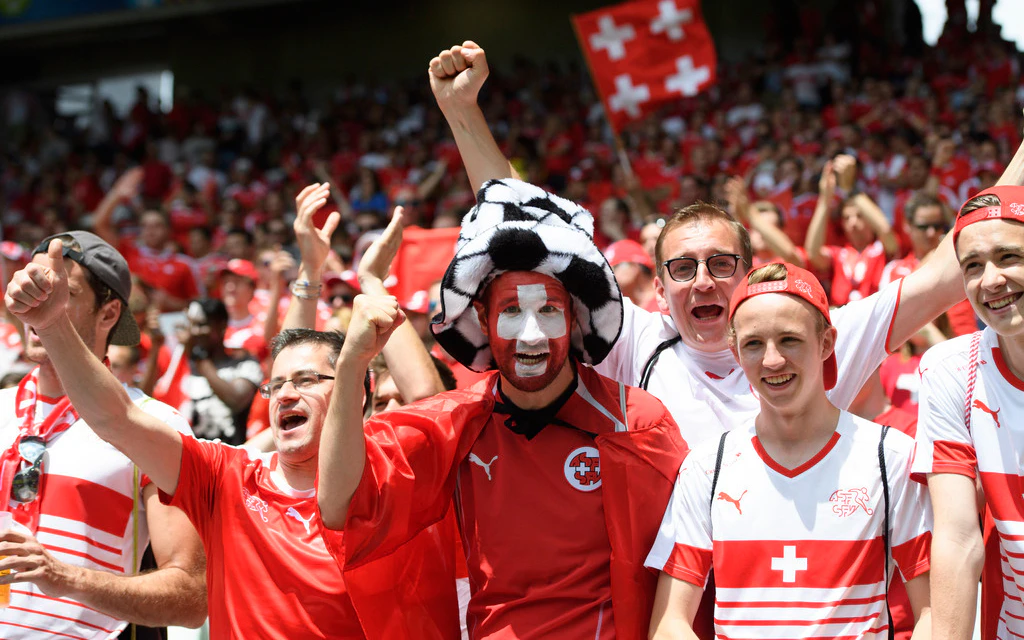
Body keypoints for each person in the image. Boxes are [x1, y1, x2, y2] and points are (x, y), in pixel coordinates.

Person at [427, 40, 983, 447]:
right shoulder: (632, 340)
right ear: (660, 282)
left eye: (721, 263)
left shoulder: (812, 341)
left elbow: (947, 270)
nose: (704, 281)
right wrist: (462, 111)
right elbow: (524, 231)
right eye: (683, 268)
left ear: (749, 271)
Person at [4, 239, 459, 638]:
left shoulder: (389, 473)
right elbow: (116, 419)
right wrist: (53, 322)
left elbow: (424, 396)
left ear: (358, 392)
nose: (286, 395)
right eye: (276, 384)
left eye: (306, 380)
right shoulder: (228, 478)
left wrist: (371, 286)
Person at [318, 178, 687, 639]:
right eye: (511, 311)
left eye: (549, 311)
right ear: (482, 321)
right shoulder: (457, 422)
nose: (530, 336)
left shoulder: (636, 422)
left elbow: (685, 567)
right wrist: (352, 368)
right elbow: (339, 507)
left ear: (574, 319)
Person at [646, 262, 932, 639]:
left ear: (827, 343)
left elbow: (935, 611)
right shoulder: (705, 467)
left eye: (789, 339)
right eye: (752, 344)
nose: (772, 360)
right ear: (734, 351)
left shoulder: (891, 456)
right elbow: (669, 623)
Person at [0, 231, 206, 639]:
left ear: (108, 314)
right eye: (33, 282)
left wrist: (67, 578)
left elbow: (191, 597)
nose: (35, 299)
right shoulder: (2, 407)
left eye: (61, 290)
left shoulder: (155, 425)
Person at [912, 185, 1024, 639]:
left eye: (1008, 257)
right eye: (973, 266)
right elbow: (958, 538)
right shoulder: (952, 368)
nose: (991, 280)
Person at [181, 298, 262, 446]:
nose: (194, 332)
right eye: (191, 325)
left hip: (233, 456)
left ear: (222, 325)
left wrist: (201, 360)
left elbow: (236, 400)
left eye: (202, 325)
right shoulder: (184, 364)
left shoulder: (244, 363)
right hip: (194, 458)